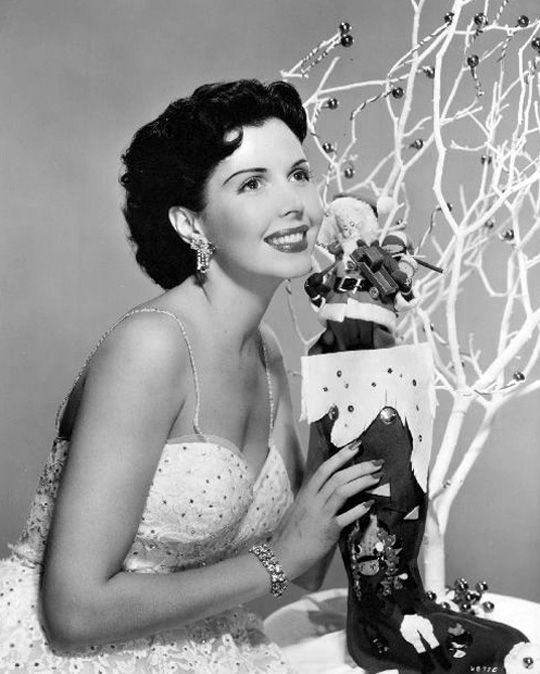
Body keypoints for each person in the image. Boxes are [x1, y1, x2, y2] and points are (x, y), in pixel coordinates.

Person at [0, 79, 383, 673]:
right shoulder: (151, 347)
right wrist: (277, 560)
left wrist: (354, 359)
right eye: (252, 183)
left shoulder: (267, 352)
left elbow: (307, 562)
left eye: (299, 174)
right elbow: (72, 614)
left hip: (206, 649)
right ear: (190, 224)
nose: (294, 204)